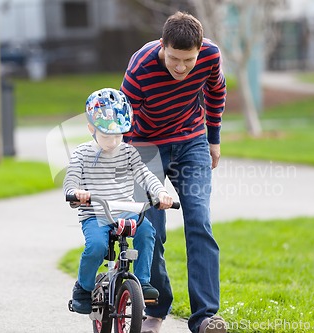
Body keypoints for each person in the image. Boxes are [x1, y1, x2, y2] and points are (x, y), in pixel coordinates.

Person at [120, 11, 227, 333]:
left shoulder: (210, 55)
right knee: (151, 231)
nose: (181, 68)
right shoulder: (139, 67)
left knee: (199, 222)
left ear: (199, 50)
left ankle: (205, 317)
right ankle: (156, 308)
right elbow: (126, 123)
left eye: (189, 60)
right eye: (175, 59)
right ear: (163, 46)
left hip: (191, 141)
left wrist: (214, 139)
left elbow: (215, 92)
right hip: (146, 146)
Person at [63, 88, 173, 314]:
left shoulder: (128, 153)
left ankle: (142, 282)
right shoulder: (81, 154)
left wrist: (160, 193)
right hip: (95, 213)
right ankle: (83, 288)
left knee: (146, 232)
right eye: (106, 135)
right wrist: (76, 192)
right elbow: (71, 180)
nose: (113, 142)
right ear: (91, 128)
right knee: (96, 246)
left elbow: (145, 175)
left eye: (118, 135)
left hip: (125, 210)